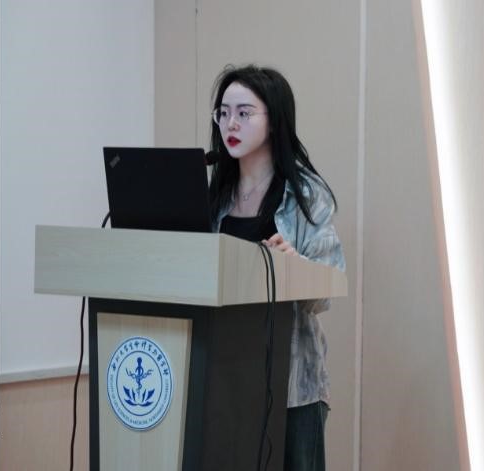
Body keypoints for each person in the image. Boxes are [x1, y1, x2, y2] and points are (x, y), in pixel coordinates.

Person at [208, 64, 345, 471]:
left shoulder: (305, 194)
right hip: (225, 378)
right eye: (223, 113)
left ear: (274, 120)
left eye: (244, 113)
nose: (230, 124)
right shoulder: (217, 196)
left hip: (291, 385)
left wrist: (293, 266)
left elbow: (327, 289)